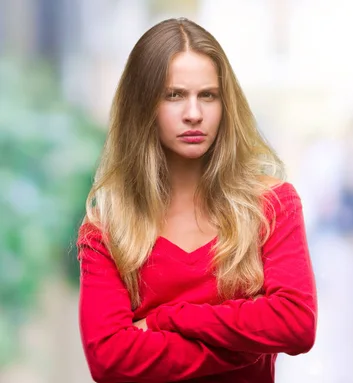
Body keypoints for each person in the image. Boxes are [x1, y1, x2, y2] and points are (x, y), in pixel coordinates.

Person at [76, 18, 317, 383]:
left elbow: (295, 324)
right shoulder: (108, 226)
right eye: (174, 95)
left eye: (208, 95)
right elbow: (109, 359)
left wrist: (166, 319)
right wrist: (250, 339)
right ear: (143, 105)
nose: (194, 113)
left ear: (225, 103)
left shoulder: (270, 205)